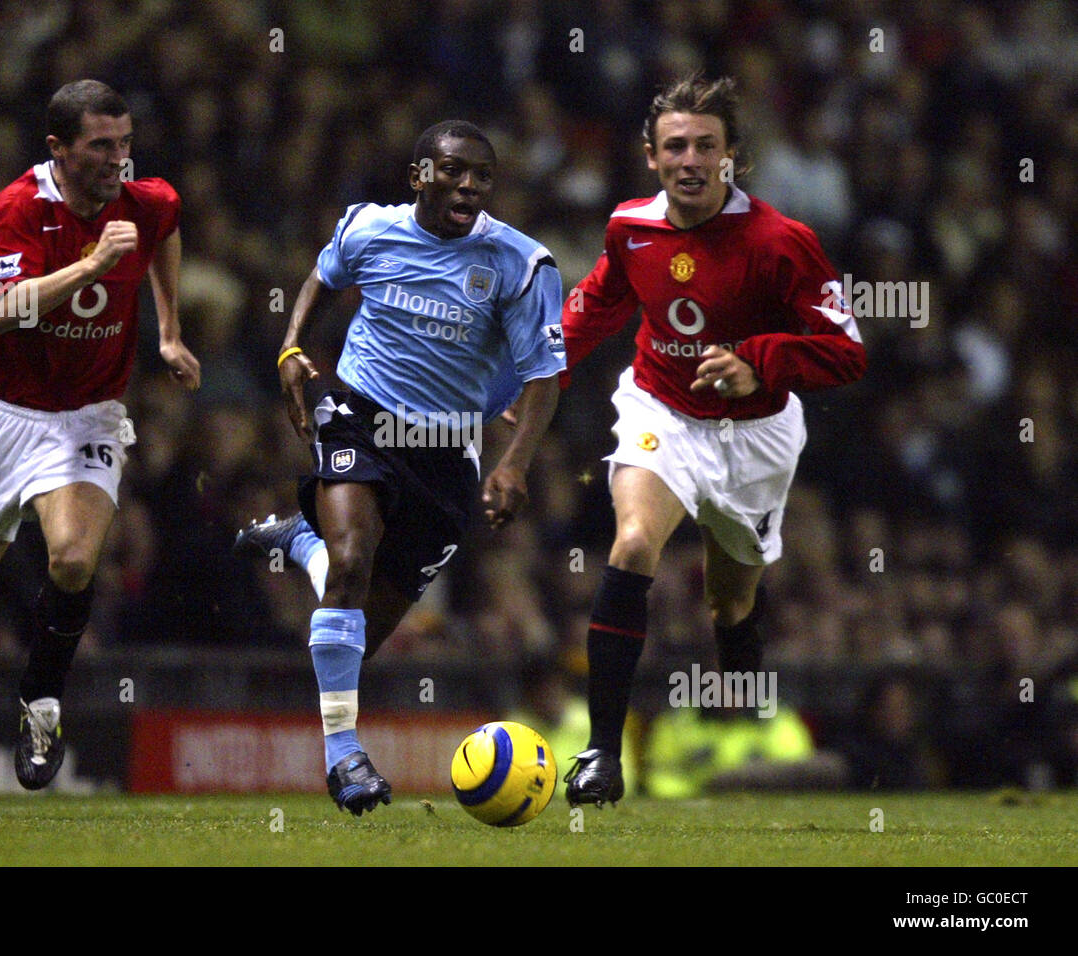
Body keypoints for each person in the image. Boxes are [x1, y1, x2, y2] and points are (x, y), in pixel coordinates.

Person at [0, 79, 200, 815]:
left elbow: (167, 225)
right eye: (100, 146)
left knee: (74, 556)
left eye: (125, 144)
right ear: (57, 148)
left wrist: (170, 328)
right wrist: (91, 267)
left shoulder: (143, 200)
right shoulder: (18, 211)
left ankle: (41, 701)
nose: (117, 160)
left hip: (85, 417)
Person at [235, 120, 564, 816]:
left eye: (481, 176)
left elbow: (544, 375)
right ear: (419, 174)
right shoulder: (367, 228)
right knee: (353, 563)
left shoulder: (521, 263)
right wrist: (292, 347)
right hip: (361, 413)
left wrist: (513, 463)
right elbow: (322, 279)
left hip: (447, 453)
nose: (468, 186)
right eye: (453, 171)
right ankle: (344, 758)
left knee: (359, 631)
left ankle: (302, 543)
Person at [558, 74, 866, 806]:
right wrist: (534, 376)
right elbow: (595, 307)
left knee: (730, 600)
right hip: (661, 410)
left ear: (734, 159)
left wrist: (759, 357)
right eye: (675, 146)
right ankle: (602, 755)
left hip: (756, 438)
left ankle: (739, 669)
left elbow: (847, 351)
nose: (689, 159)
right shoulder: (631, 226)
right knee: (634, 544)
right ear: (651, 155)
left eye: (705, 145)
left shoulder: (783, 243)